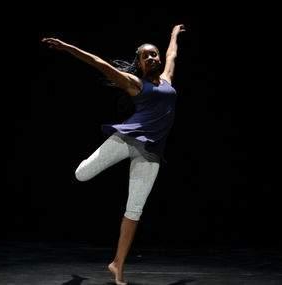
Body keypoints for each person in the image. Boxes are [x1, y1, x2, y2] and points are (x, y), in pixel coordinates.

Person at [42, 24, 186, 285]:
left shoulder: (167, 79)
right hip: (126, 140)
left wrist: (174, 34)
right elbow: (99, 63)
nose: (154, 57)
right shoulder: (134, 83)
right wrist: (67, 48)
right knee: (82, 174)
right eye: (147, 56)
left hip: (151, 152)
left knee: (135, 210)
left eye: (155, 54)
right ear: (140, 65)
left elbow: (173, 54)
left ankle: (117, 264)